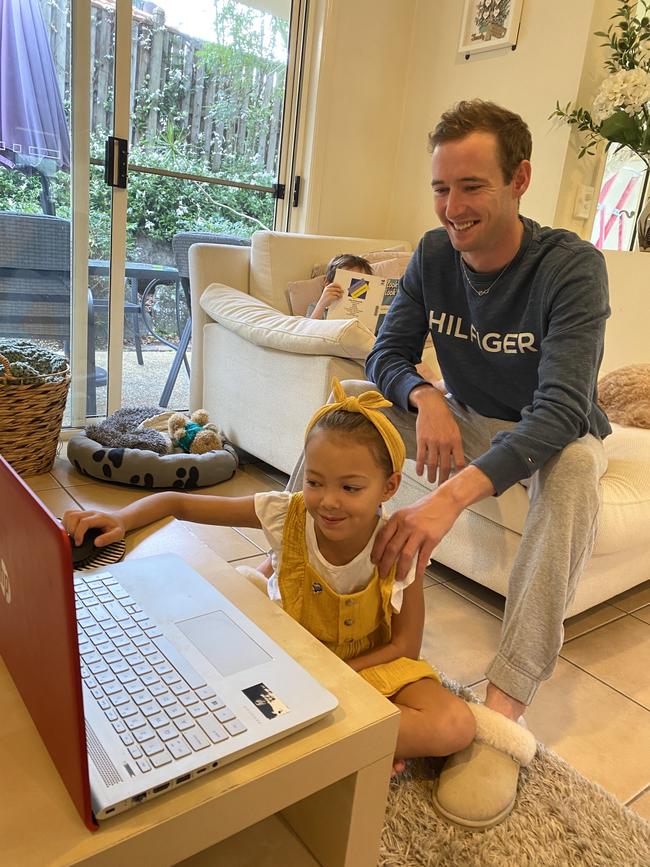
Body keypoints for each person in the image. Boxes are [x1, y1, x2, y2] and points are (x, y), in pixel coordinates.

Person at [337, 98, 609, 827]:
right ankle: (296, 586)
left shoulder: (571, 268)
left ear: (519, 179)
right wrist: (423, 394)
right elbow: (384, 354)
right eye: (441, 188)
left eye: (471, 187)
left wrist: (451, 494)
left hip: (554, 431)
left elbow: (560, 411)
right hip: (461, 413)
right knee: (349, 409)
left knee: (579, 469)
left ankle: (501, 713)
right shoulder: (433, 254)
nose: (452, 208)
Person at [63, 380, 477, 777]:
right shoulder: (287, 513)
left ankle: (349, 738)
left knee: (455, 724)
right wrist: (119, 517)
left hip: (368, 665)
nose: (328, 501)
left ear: (388, 488)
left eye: (351, 488)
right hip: (291, 659)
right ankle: (362, 740)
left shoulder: (400, 544)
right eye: (314, 482)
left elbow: (405, 645)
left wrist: (340, 674)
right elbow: (177, 503)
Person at [308, 253, 373, 320]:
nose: (353, 289)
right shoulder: (316, 306)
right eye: (347, 280)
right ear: (327, 284)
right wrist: (321, 305)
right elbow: (309, 329)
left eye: (359, 284)